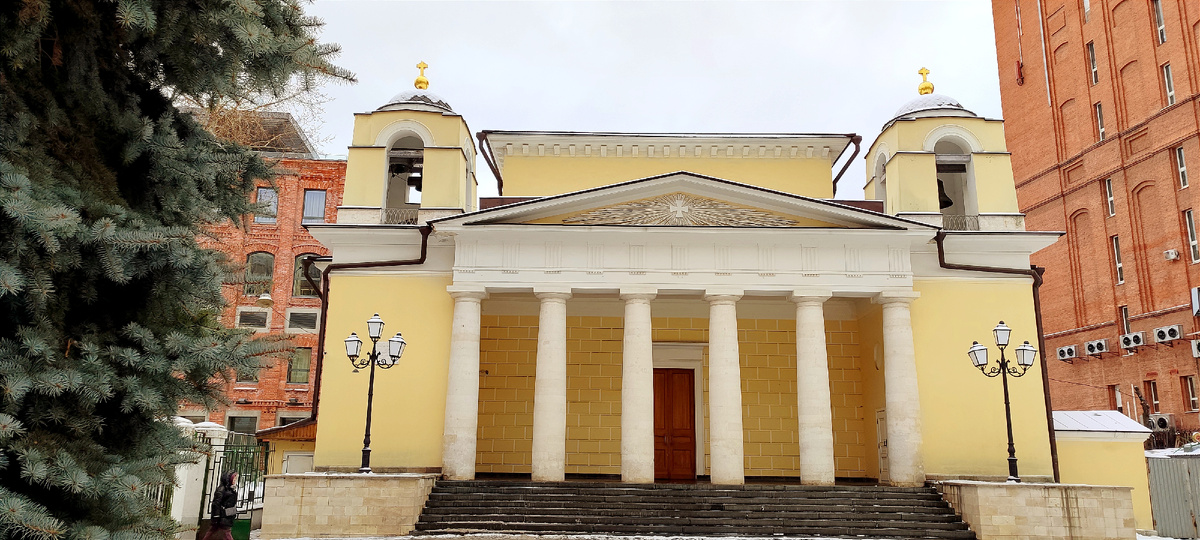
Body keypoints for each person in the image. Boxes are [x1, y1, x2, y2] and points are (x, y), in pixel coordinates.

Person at [202, 472, 238, 540]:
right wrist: (216, 516)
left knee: (212, 532)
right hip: (222, 516)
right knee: (226, 533)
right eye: (234, 479)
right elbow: (216, 503)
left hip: (227, 515)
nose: (235, 481)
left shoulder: (230, 489)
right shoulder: (222, 490)